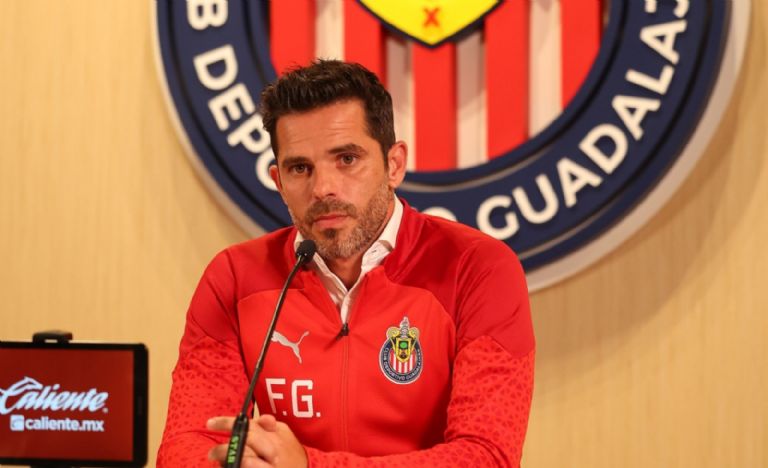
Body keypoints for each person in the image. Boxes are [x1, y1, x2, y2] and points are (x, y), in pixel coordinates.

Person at [158, 60, 535, 467]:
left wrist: (308, 466)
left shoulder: (478, 268)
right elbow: (186, 447)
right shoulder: (234, 277)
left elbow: (488, 455)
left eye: (347, 159)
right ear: (279, 182)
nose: (323, 188)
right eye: (300, 168)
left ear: (394, 165)